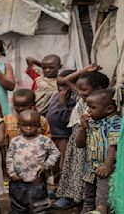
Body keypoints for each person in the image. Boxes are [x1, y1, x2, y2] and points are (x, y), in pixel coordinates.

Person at [54, 65, 110, 210]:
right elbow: (64, 79)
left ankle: (81, 199)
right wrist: (84, 71)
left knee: (82, 173)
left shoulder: (98, 103)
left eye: (84, 89)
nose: (80, 92)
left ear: (97, 89)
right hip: (76, 139)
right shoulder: (82, 97)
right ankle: (72, 197)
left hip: (88, 143)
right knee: (72, 170)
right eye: (79, 89)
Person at [76, 89, 121, 214]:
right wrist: (83, 128)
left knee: (102, 203)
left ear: (109, 109)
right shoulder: (91, 122)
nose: (88, 110)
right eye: (88, 106)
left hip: (105, 170)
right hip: (90, 170)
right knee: (89, 199)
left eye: (92, 107)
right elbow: (79, 144)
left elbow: (114, 145)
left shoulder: (115, 122)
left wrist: (107, 165)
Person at [7, 109, 60, 213]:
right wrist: (11, 172)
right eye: (24, 125)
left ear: (39, 125)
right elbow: (9, 157)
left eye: (33, 125)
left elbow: (55, 153)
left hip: (37, 181)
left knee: (40, 207)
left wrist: (46, 165)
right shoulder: (15, 141)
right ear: (18, 125)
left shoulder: (45, 141)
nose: (28, 128)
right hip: (18, 180)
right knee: (18, 207)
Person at [45, 70, 76, 194]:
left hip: (64, 137)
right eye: (59, 86)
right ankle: (58, 187)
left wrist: (63, 102)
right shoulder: (55, 96)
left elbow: (66, 120)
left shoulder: (73, 101)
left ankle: (65, 191)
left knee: (64, 165)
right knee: (55, 164)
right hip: (53, 136)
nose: (61, 90)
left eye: (65, 86)